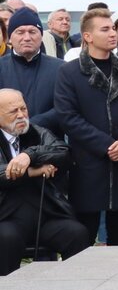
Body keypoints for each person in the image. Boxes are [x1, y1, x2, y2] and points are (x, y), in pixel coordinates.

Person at [54, 7, 118, 246]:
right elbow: (68, 117)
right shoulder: (70, 72)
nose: (113, 33)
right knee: (82, 236)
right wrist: (107, 145)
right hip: (88, 165)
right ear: (87, 36)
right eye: (105, 29)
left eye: (112, 28)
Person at [0, 89, 92, 274]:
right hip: (6, 217)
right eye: (13, 111)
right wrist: (33, 172)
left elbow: (63, 152)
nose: (21, 115)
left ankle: (77, 289)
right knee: (6, 239)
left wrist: (29, 155)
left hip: (43, 214)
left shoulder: (35, 132)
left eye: (23, 109)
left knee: (77, 234)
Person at [0, 7, 63, 133]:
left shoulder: (61, 69)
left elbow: (65, 107)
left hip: (50, 145)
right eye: (20, 32)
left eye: (32, 32)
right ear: (10, 38)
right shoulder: (1, 67)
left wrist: (30, 125)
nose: (27, 37)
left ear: (41, 35)